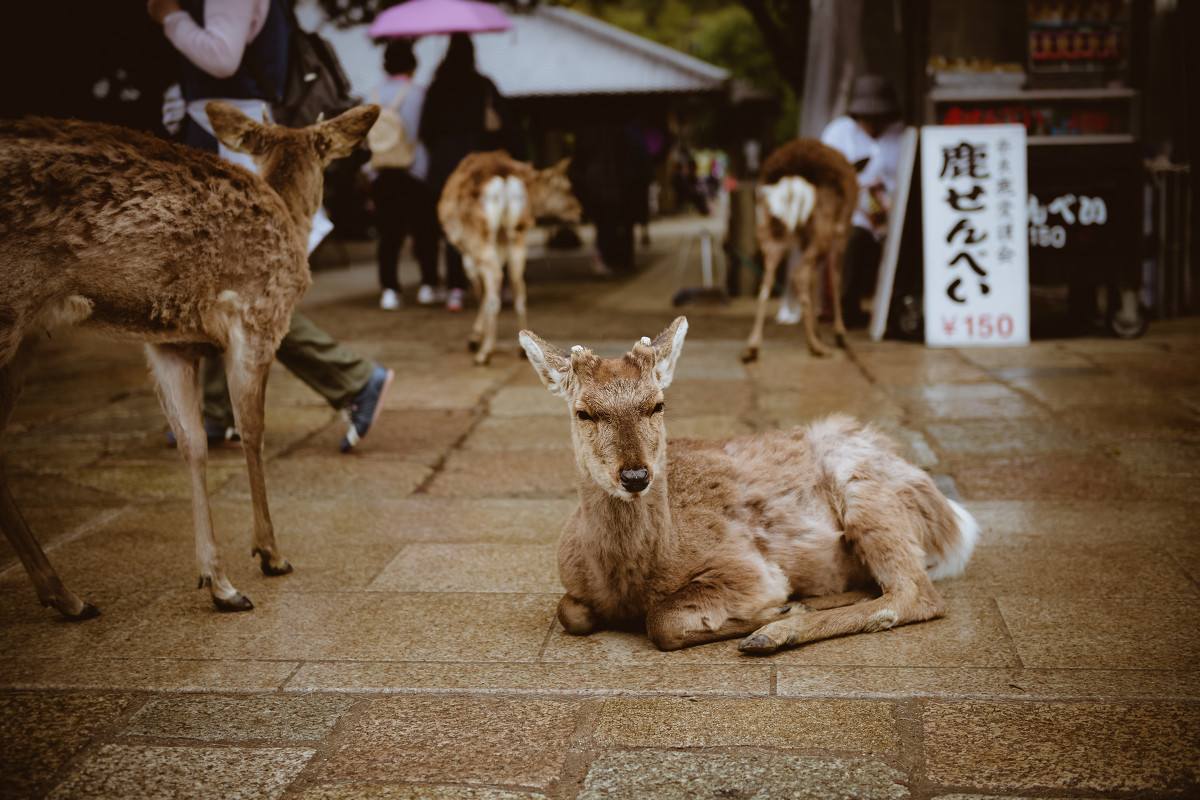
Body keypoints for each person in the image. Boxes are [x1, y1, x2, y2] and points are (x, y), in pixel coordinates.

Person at [148, 0, 393, 453]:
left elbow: (222, 57)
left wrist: (170, 18)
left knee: (246, 292)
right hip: (220, 134)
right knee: (224, 287)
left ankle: (354, 379)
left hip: (236, 143)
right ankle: (220, 413)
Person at [774, 74, 902, 327]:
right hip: (853, 213)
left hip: (894, 211)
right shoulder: (840, 133)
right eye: (868, 118)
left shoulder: (900, 135)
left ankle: (896, 307)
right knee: (851, 240)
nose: (874, 124)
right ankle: (846, 306)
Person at [418, 33, 509, 312]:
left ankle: (456, 288)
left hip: (446, 166)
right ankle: (494, 284)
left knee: (454, 228)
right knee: (487, 225)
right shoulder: (484, 85)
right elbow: (503, 127)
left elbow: (426, 131)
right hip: (479, 164)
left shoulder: (436, 88)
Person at [369, 39, 440, 310]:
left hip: (382, 171)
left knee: (388, 234)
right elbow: (427, 133)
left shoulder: (372, 96)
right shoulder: (419, 94)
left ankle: (389, 290)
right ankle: (427, 285)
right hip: (416, 170)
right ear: (412, 64)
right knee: (425, 231)